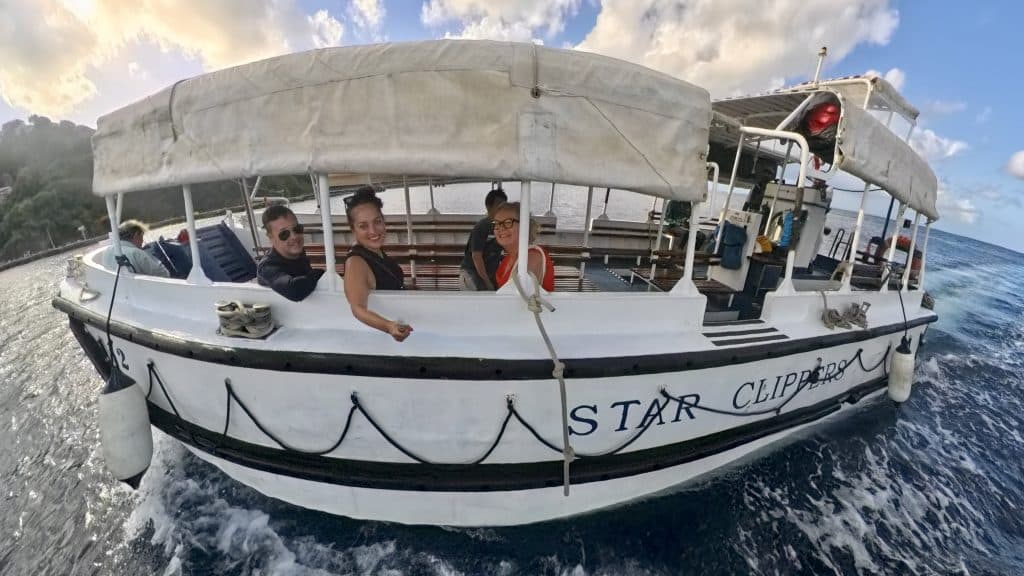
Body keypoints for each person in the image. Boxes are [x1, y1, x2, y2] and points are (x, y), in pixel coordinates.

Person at [343, 186, 413, 342]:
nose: (373, 231)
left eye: (377, 222)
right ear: (353, 230)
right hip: (384, 338)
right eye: (363, 226)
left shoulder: (376, 252)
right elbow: (357, 308)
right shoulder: (356, 262)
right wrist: (389, 326)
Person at [257, 205, 324, 301]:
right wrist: (322, 273)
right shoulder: (268, 267)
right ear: (271, 238)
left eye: (297, 229)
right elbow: (295, 290)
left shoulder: (298, 253)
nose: (294, 237)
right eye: (284, 234)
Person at [491, 202, 555, 292]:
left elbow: (522, 300)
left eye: (508, 222)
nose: (501, 228)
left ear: (524, 226)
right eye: (497, 223)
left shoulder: (532, 256)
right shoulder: (508, 258)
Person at [459, 187, 507, 290]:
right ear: (489, 207)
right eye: (498, 206)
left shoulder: (503, 227)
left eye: (504, 206)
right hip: (471, 272)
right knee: (480, 298)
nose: (502, 209)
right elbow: (476, 257)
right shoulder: (482, 227)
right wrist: (487, 282)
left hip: (489, 274)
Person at [102, 219, 170, 277]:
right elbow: (164, 274)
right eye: (142, 236)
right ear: (136, 235)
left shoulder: (107, 251)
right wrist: (155, 260)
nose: (142, 241)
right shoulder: (137, 253)